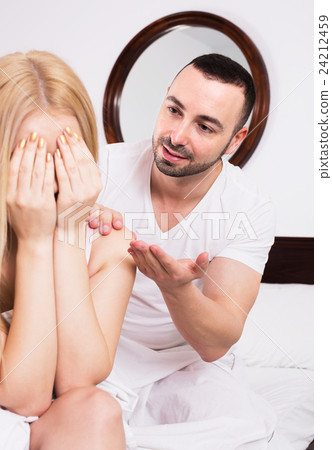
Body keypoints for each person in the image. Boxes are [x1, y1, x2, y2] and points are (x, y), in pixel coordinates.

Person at [96, 53, 277, 449]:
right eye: (174, 110)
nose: (177, 136)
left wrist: (176, 290)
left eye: (205, 126)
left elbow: (216, 343)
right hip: (97, 349)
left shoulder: (247, 207)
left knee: (241, 431)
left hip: (185, 363)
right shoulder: (102, 169)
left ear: (236, 139)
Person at [0, 50, 135, 449]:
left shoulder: (109, 238)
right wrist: (34, 242)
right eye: (31, 158)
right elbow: (23, 396)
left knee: (98, 410)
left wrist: (68, 231)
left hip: (61, 421)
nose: (52, 177)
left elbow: (77, 381)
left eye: (65, 155)